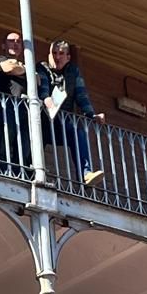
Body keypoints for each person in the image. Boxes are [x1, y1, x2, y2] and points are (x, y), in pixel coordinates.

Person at [38, 39, 106, 186]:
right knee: (36, 143)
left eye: (61, 54)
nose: (57, 57)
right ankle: (32, 170)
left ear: (68, 57)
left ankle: (85, 174)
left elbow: (81, 95)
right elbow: (43, 88)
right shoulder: (42, 68)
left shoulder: (73, 71)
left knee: (77, 133)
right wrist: (46, 99)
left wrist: (91, 114)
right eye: (54, 53)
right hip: (42, 120)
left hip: (61, 121)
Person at [0, 32, 32, 166]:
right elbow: (9, 68)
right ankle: (1, 166)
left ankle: (20, 169)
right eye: (11, 41)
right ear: (3, 45)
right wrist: (27, 70)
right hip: (6, 104)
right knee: (7, 135)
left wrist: (21, 68)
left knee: (24, 142)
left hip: (24, 107)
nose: (15, 43)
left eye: (18, 41)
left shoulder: (25, 65)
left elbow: (37, 80)